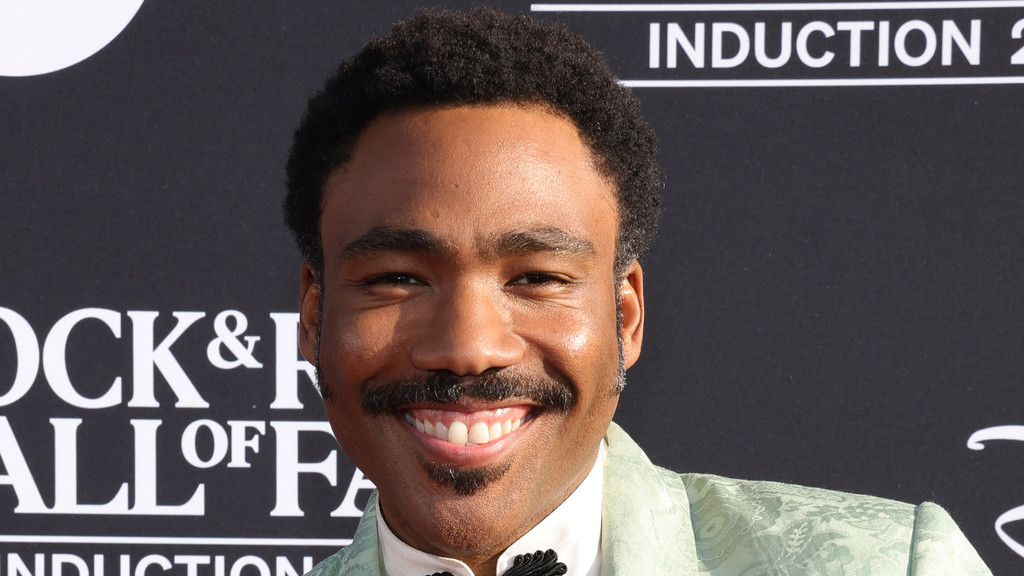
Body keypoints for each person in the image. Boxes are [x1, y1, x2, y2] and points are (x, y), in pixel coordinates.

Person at [283, 7, 992, 576]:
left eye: (537, 279)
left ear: (625, 317)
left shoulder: (889, 565)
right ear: (315, 317)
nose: (469, 348)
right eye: (398, 279)